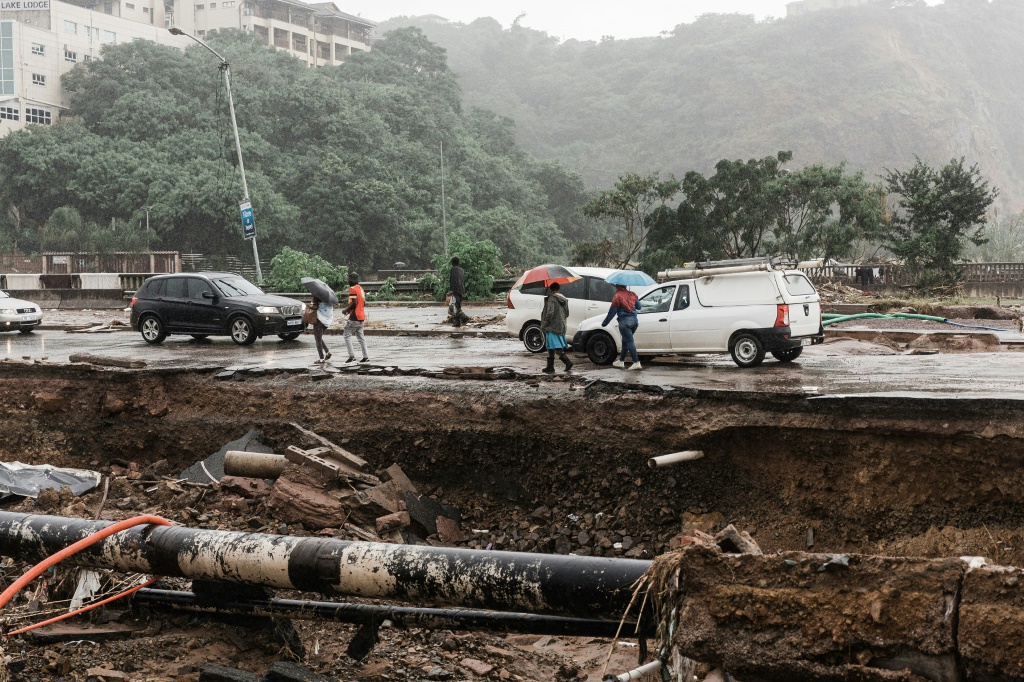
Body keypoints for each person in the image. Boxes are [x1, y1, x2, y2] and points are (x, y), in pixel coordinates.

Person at [601, 284, 643, 370]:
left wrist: (605, 323)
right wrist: (634, 299)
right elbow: (639, 307)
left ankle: (636, 362)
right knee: (625, 341)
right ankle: (621, 361)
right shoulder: (633, 294)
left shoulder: (617, 296)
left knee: (629, 341)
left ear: (617, 286)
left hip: (624, 322)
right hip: (634, 321)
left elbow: (612, 312)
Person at [540, 282, 573, 374]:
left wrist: (545, 324)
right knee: (550, 345)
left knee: (556, 346)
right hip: (561, 325)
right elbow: (567, 313)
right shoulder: (564, 299)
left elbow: (550, 313)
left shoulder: (552, 299)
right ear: (559, 289)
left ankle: (568, 362)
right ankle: (550, 366)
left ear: (551, 290)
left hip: (552, 326)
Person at [343, 274, 368, 363]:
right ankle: (365, 357)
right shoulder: (361, 289)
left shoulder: (352, 289)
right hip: (362, 316)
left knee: (347, 335)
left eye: (349, 281)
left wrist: (346, 310)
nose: (348, 282)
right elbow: (363, 303)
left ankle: (351, 356)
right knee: (361, 338)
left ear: (352, 281)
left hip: (355, 317)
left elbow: (354, 303)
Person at [310, 295, 333, 363]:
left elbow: (315, 307)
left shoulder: (316, 296)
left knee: (318, 340)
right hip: (327, 320)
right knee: (319, 337)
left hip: (319, 320)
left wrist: (308, 306)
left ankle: (321, 359)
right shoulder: (329, 297)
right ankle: (327, 352)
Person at [448, 256, 466, 327]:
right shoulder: (461, 270)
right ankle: (458, 321)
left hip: (456, 290)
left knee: (455, 306)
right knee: (458, 306)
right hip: (461, 290)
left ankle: (463, 318)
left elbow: (453, 280)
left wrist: (451, 290)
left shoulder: (453, 269)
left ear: (453, 263)